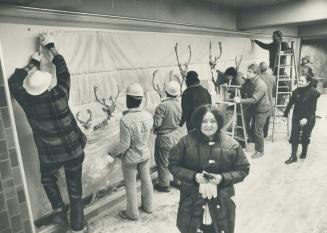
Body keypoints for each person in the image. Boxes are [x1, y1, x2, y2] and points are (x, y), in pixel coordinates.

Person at [8, 33, 88, 233]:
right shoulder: (60, 94)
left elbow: (13, 83)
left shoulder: (28, 102)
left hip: (49, 155)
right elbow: (64, 72)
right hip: (73, 150)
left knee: (47, 180)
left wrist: (32, 64)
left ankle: (60, 210)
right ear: (49, 85)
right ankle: (77, 228)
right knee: (75, 191)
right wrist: (51, 47)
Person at [169, 105, 250, 233]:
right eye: (204, 121)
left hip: (222, 199)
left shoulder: (231, 144)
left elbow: (243, 169)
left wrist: (223, 178)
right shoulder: (185, 142)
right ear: (198, 122)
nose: (208, 125)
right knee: (191, 227)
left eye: (213, 121)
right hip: (191, 198)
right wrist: (193, 176)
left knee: (219, 228)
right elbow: (173, 165)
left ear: (219, 122)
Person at [110, 83, 154, 220]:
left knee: (130, 185)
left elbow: (125, 144)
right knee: (147, 181)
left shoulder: (125, 120)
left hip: (131, 159)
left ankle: (133, 213)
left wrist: (113, 153)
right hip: (145, 154)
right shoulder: (148, 115)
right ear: (140, 99)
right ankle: (149, 207)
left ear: (128, 99)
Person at [234, 64, 271, 159]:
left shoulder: (260, 84)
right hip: (255, 108)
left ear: (256, 73)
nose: (247, 73)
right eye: (248, 71)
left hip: (262, 110)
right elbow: (243, 88)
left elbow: (254, 99)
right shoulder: (250, 81)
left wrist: (240, 100)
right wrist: (230, 89)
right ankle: (250, 141)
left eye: (250, 72)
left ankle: (260, 151)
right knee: (245, 120)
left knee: (258, 130)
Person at [283, 73, 321, 164]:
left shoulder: (313, 93)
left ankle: (304, 151)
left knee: (304, 137)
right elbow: (290, 103)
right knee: (294, 137)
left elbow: (313, 108)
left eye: (302, 81)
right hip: (297, 117)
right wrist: (285, 114)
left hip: (309, 118)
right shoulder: (296, 91)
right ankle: (293, 156)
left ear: (308, 82)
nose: (299, 82)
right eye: (299, 80)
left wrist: (306, 118)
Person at [153, 81, 182, 192]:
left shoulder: (162, 106)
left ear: (166, 92)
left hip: (164, 138)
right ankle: (178, 181)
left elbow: (157, 123)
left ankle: (164, 185)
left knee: (163, 162)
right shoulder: (179, 105)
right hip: (176, 135)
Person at [259, 62, 276, 138]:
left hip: (260, 100)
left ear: (259, 68)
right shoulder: (272, 77)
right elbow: (274, 90)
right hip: (269, 100)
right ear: (267, 68)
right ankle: (265, 134)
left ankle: (259, 134)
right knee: (267, 118)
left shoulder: (258, 77)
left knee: (258, 118)